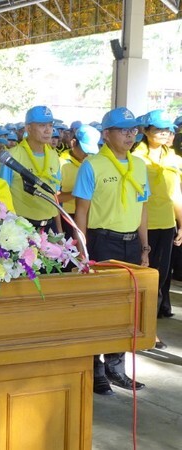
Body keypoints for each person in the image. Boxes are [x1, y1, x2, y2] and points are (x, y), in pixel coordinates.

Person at [73, 106, 149, 396]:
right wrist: (82, 251)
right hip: (103, 242)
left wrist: (144, 247)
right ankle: (95, 368)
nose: (130, 135)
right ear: (106, 134)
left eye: (133, 130)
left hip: (132, 244)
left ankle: (116, 366)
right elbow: (82, 212)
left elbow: (142, 209)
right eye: (123, 130)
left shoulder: (138, 166)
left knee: (127, 308)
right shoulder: (92, 166)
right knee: (100, 307)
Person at [133, 109, 182, 344]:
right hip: (142, 224)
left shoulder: (174, 159)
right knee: (142, 278)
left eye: (167, 129)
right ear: (146, 131)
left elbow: (176, 195)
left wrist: (181, 224)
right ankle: (138, 327)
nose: (164, 133)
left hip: (166, 224)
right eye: (158, 129)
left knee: (160, 278)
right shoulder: (135, 159)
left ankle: (149, 327)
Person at [0, 105, 61, 232]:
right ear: (28, 128)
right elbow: (1, 196)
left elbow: (55, 196)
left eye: (50, 125)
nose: (48, 130)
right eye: (42, 125)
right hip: (21, 227)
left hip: (49, 226)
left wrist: (59, 230)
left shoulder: (54, 156)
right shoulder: (12, 157)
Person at [59, 124, 101, 240]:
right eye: (84, 150)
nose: (87, 154)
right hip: (68, 217)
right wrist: (79, 192)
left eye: (91, 151)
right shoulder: (61, 164)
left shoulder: (95, 163)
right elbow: (54, 198)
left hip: (93, 217)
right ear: (73, 143)